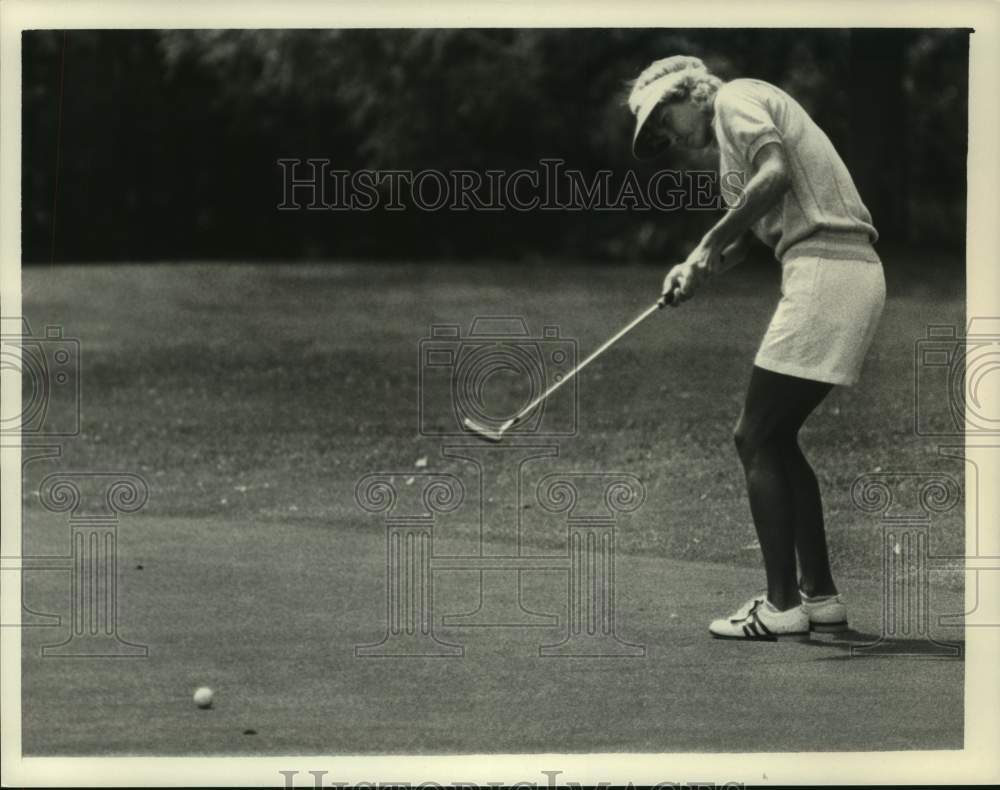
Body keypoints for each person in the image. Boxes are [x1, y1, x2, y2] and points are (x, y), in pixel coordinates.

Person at [627, 55, 886, 640]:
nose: (667, 137)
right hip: (839, 272)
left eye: (663, 119)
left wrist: (704, 243)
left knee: (753, 435)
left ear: (692, 92)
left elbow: (776, 176)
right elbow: (748, 233)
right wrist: (697, 268)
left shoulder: (734, 99)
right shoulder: (728, 151)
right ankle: (819, 598)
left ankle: (780, 606)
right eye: (657, 137)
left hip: (828, 268)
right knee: (775, 436)